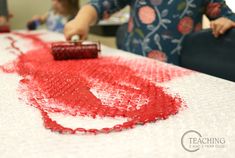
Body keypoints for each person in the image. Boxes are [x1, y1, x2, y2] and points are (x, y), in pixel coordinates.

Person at [64, 0, 235, 65]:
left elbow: (226, 14)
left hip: (183, 71)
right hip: (134, 66)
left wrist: (228, 21)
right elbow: (102, 4)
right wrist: (82, 19)